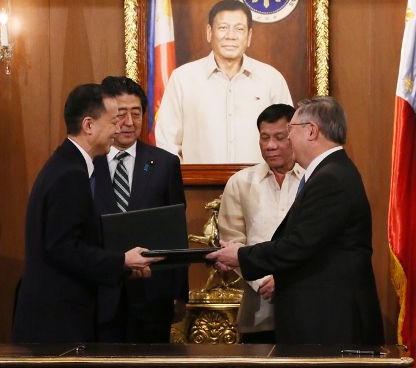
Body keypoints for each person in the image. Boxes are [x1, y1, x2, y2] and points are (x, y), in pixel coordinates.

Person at [207, 96, 384, 345]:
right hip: (319, 318)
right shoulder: (332, 171)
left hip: (330, 322)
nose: (287, 138)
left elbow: (299, 245)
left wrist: (242, 255)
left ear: (311, 131)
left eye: (290, 130)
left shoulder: (330, 178)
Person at [12, 84, 161, 343]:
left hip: (57, 315)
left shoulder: (67, 164)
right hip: (57, 321)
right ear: (89, 125)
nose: (119, 128)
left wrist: (123, 266)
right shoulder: (71, 174)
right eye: (114, 121)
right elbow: (64, 247)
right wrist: (121, 261)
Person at [92, 76, 188, 343]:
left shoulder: (164, 164)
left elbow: (176, 230)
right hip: (100, 294)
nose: (129, 122)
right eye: (120, 114)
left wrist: (180, 293)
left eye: (136, 114)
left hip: (152, 294)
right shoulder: (89, 162)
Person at [155, 0, 292, 164]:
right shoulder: (182, 78)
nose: (230, 35)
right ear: (209, 32)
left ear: (248, 36)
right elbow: (166, 142)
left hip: (260, 187)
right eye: (223, 28)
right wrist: (184, 182)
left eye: (239, 29)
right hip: (198, 186)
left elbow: (289, 137)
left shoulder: (271, 79)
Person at [218, 104, 303, 343]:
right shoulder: (240, 183)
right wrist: (263, 282)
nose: (270, 145)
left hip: (305, 304)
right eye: (264, 138)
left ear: (294, 136)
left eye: (279, 137)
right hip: (258, 308)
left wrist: (284, 279)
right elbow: (231, 243)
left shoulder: (312, 180)